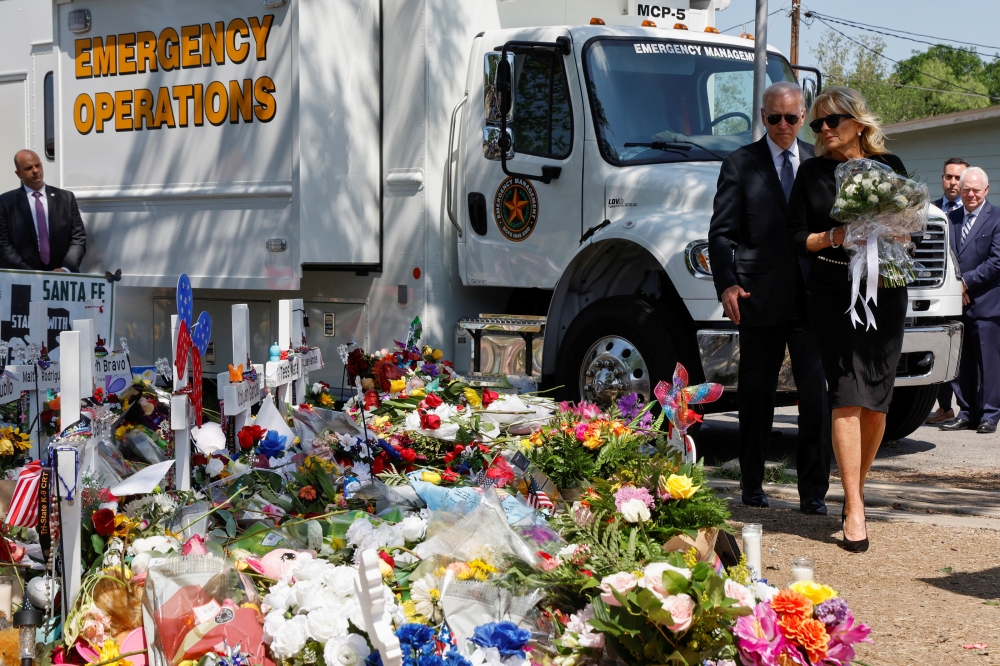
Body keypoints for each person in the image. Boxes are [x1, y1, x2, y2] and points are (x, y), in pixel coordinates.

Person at [788, 86, 908, 553]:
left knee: (876, 400)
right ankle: (854, 505)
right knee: (845, 394)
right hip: (833, 292)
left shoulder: (890, 167)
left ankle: (856, 485)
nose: (824, 130)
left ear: (859, 122)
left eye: (832, 120)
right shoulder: (811, 173)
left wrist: (891, 230)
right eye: (817, 124)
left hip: (886, 290)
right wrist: (839, 234)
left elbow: (907, 229)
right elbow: (796, 237)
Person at [709, 81, 831, 514]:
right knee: (756, 396)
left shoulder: (821, 163)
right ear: (763, 117)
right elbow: (721, 233)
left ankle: (814, 493)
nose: (783, 125)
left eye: (792, 117)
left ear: (804, 118)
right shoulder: (740, 164)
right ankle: (752, 486)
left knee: (816, 397)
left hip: (814, 298)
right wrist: (726, 283)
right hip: (758, 296)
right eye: (774, 117)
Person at [940, 167, 1000, 435]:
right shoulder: (949, 218)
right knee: (961, 363)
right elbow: (945, 256)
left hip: (986, 303)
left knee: (988, 363)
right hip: (956, 303)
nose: (971, 194)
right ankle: (966, 412)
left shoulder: (997, 218)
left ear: (986, 190)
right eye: (966, 189)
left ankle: (990, 414)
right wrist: (955, 284)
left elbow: (997, 261)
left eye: (976, 189)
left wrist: (965, 282)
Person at [926, 157, 970, 424]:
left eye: (958, 178)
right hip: (938, 293)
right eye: (949, 177)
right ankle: (944, 407)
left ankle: (968, 408)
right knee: (942, 348)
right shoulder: (930, 210)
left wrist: (964, 283)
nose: (953, 182)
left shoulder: (973, 210)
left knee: (965, 355)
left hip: (969, 292)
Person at [0, 150, 87, 272]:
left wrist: (66, 268)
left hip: (61, 278)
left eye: (38, 165)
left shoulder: (66, 198)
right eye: (29, 168)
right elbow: (3, 244)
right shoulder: (5, 202)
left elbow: (78, 238)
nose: (35, 171)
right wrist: (28, 273)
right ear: (19, 174)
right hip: (23, 279)